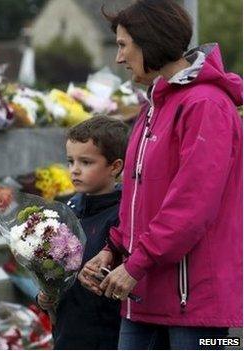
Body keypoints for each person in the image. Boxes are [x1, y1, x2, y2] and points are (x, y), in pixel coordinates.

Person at [78, 1, 243, 349]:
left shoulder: (205, 105)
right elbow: (139, 199)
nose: (119, 58)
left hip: (192, 304)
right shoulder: (154, 106)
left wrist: (136, 264)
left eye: (123, 45)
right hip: (144, 297)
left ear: (149, 41)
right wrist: (113, 249)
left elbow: (190, 207)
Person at [38, 116, 129, 349]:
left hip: (107, 334)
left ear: (115, 167)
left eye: (86, 162)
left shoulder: (122, 216)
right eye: (70, 161)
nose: (75, 170)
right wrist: (44, 296)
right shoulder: (67, 210)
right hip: (68, 331)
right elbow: (52, 267)